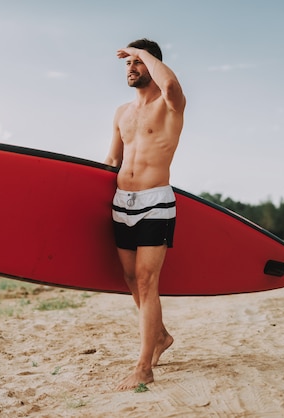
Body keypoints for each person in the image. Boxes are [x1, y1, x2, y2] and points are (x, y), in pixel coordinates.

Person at [104, 38, 186, 391]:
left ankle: (143, 366)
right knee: (130, 280)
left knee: (147, 281)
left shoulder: (170, 106)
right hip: (123, 202)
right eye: (127, 64)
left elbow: (168, 83)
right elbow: (111, 160)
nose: (131, 68)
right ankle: (161, 336)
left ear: (150, 64)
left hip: (156, 202)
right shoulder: (122, 112)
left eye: (136, 62)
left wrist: (144, 53)